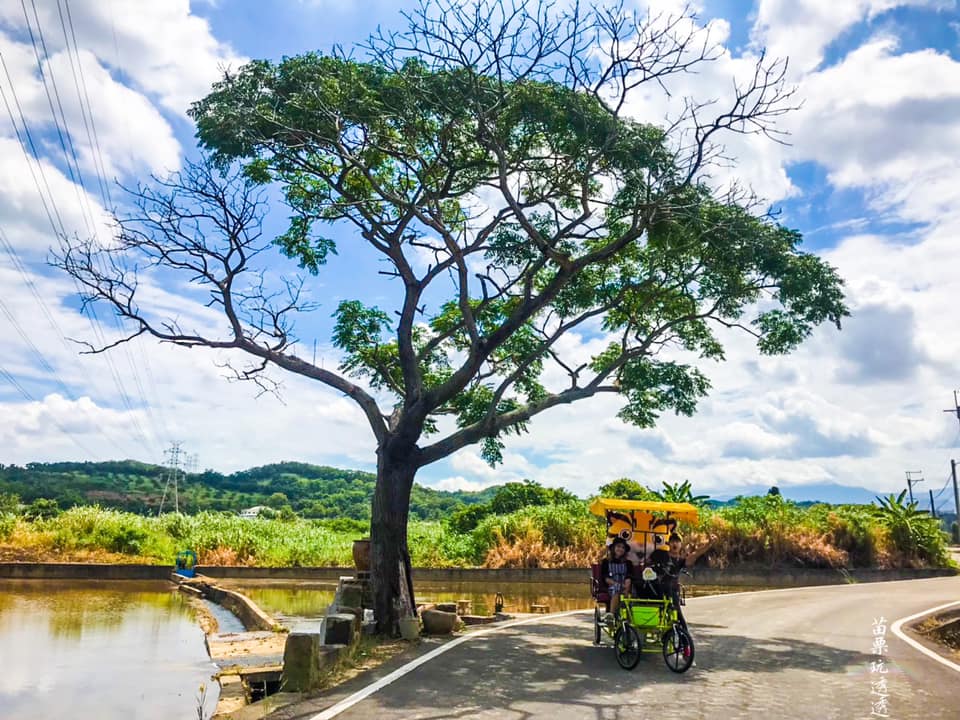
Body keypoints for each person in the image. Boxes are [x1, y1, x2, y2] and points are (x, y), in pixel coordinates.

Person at [600, 537, 633, 624]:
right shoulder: (606, 562)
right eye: (618, 546)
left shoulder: (628, 563)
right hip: (612, 585)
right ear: (613, 548)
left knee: (629, 594)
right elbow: (606, 578)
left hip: (625, 585)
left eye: (623, 548)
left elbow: (628, 577)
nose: (620, 549)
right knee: (616, 590)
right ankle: (611, 614)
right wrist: (617, 584)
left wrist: (626, 587)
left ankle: (629, 617)